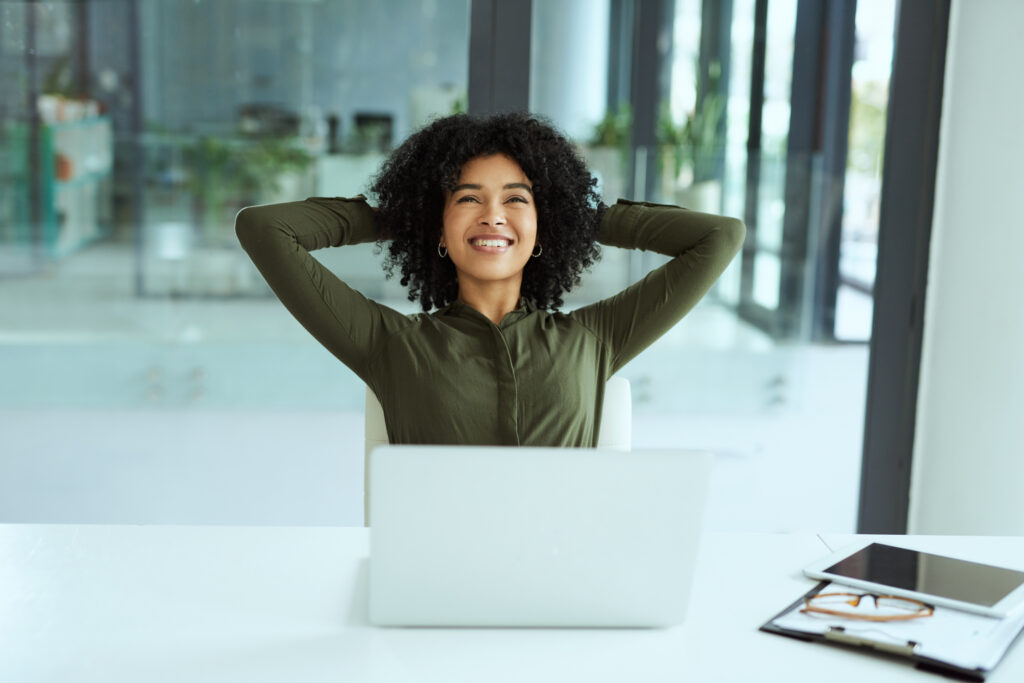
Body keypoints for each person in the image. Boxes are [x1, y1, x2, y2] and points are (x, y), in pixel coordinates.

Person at [235, 112, 744, 448]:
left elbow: (719, 236)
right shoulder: (388, 343)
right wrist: (408, 214)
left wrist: (575, 216)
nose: (493, 216)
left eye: (516, 199)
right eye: (467, 198)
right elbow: (264, 228)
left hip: (565, 584)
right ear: (440, 223)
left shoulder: (594, 338)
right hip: (436, 588)